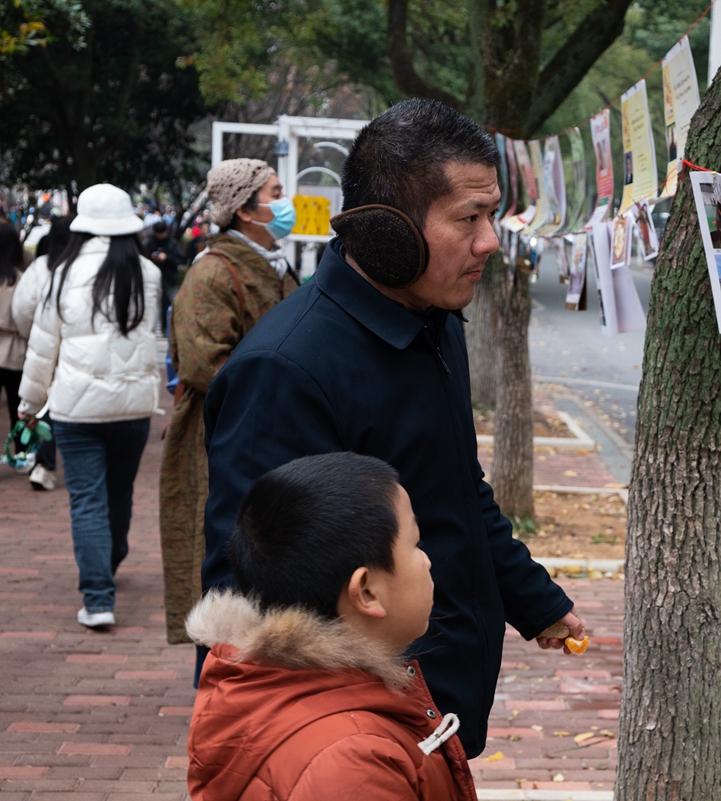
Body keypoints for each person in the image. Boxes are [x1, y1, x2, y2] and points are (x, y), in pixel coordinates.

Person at [201, 99, 582, 758]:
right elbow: (250, 604)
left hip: (438, 715)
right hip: (355, 742)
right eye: (469, 218)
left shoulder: (433, 322)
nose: (490, 240)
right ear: (388, 230)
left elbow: (457, 487)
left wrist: (533, 598)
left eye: (491, 214)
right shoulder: (284, 372)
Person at [186, 452, 475, 801]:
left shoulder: (268, 684)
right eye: (415, 544)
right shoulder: (354, 766)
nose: (427, 560)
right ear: (366, 591)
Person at [159, 158, 300, 645]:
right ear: (245, 209)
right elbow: (205, 364)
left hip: (273, 437)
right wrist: (287, 391)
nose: (286, 203)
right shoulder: (214, 274)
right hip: (222, 440)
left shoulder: (274, 264)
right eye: (276, 192)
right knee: (227, 573)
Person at [17, 184, 161, 628]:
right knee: (119, 494)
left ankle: (98, 598)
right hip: (134, 408)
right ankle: (110, 559)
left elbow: (43, 349)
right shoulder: (148, 273)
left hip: (76, 410)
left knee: (87, 503)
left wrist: (30, 401)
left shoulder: (58, 272)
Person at [11, 217, 74, 489]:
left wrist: (33, 334)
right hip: (76, 351)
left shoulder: (39, 267)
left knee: (44, 405)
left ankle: (44, 465)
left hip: (43, 345)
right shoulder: (84, 267)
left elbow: (21, 308)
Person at [0, 222, 27, 435]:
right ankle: (20, 454)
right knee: (17, 407)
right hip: (15, 352)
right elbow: (25, 317)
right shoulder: (20, 279)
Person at [149, 221, 184, 333]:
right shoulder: (150, 243)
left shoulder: (172, 243)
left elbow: (179, 260)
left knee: (168, 305)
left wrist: (166, 257)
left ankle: (167, 328)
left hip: (169, 278)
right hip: (153, 279)